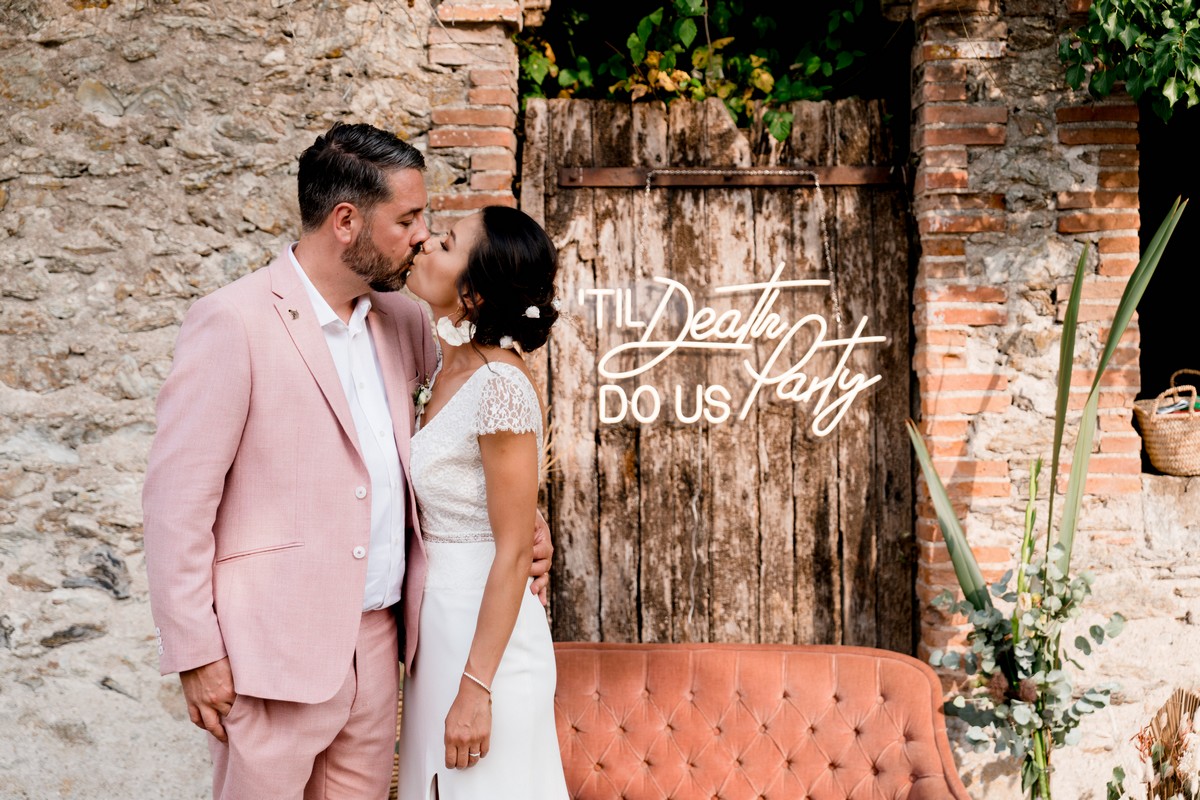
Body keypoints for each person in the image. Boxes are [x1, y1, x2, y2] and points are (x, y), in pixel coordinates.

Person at [142, 122, 552, 799]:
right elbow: (175, 503)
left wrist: (526, 530)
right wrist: (196, 651)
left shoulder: (409, 322)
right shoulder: (234, 322)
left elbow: (463, 437)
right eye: (408, 219)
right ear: (345, 221)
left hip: (383, 651)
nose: (422, 235)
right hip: (268, 654)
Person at [396, 206, 568, 799]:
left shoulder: (501, 388)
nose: (423, 246)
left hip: (485, 640)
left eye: (444, 243)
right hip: (436, 626)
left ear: (470, 292)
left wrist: (475, 688)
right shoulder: (438, 368)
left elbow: (515, 548)